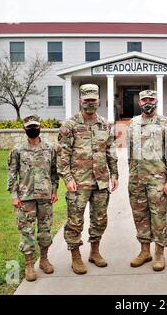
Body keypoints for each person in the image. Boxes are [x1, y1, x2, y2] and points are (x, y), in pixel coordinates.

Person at [57, 84, 118, 275]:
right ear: (80, 101)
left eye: (93, 100)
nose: (90, 103)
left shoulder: (105, 125)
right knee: (75, 221)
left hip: (100, 181)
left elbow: (110, 151)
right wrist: (67, 178)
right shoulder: (70, 126)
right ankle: (76, 256)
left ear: (98, 100)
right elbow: (62, 155)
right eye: (87, 100)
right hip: (78, 182)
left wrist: (114, 175)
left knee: (99, 219)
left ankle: (94, 251)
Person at [126, 90, 167, 271]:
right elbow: (130, 153)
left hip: (158, 180)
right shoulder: (133, 124)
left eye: (151, 99)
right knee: (140, 217)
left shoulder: (165, 123)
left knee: (158, 217)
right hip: (136, 179)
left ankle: (159, 253)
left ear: (157, 101)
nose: (148, 102)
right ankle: (144, 251)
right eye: (144, 99)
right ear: (139, 102)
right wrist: (130, 176)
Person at [7, 115, 59, 281]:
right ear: (24, 129)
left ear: (40, 127)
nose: (32, 129)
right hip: (25, 197)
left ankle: (44, 260)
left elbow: (54, 172)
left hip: (45, 197)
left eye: (35, 126)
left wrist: (54, 190)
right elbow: (12, 174)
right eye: (29, 127)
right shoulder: (17, 149)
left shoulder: (50, 148)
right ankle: (29, 264)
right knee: (27, 231)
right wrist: (14, 195)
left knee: (45, 231)